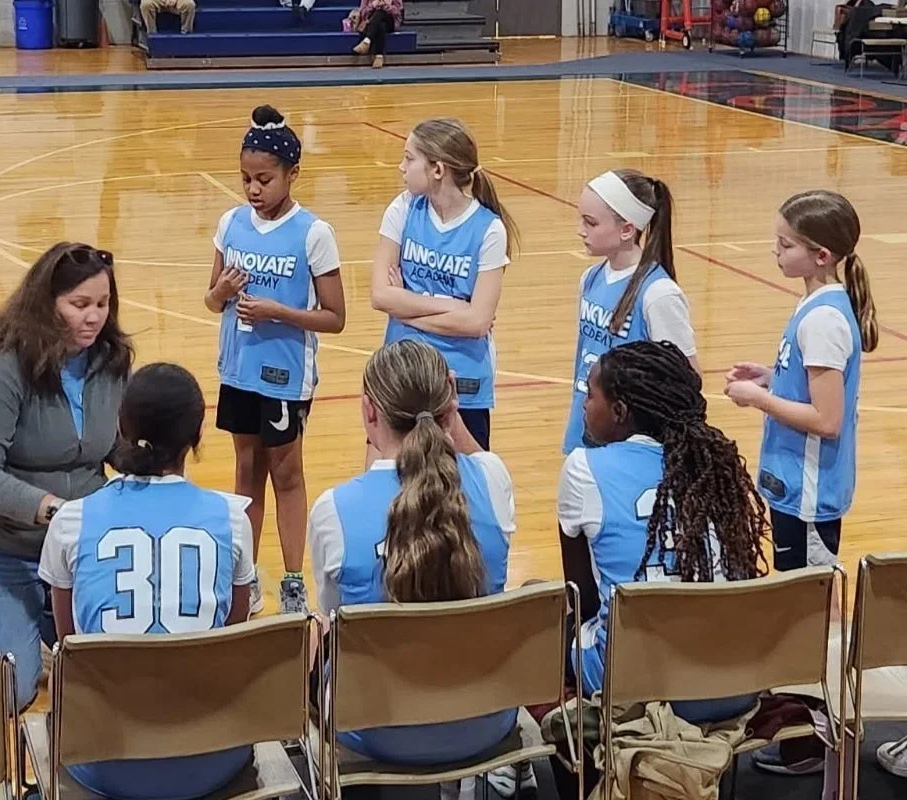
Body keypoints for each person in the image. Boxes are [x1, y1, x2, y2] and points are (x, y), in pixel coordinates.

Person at [39, 363, 255, 800]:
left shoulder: (71, 521)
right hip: (211, 755)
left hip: (106, 760)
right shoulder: (233, 519)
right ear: (196, 436)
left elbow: (69, 643)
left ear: (120, 426)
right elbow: (234, 634)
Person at [309, 340, 516, 765]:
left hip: (380, 732)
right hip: (486, 720)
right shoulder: (494, 481)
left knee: (312, 629)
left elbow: (335, 621)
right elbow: (471, 463)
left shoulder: (335, 510)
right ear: (450, 403)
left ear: (369, 412)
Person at [0, 242, 133, 710]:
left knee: (125, 670)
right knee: (9, 692)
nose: (94, 317)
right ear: (46, 304)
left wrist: (158, 467)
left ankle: (50, 632)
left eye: (103, 304)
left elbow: (108, 444)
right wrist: (55, 511)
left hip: (79, 549)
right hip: (5, 550)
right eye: (80, 305)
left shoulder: (110, 359)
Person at [560, 341, 768, 723]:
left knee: (544, 618)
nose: (584, 406)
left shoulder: (583, 468)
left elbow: (582, 599)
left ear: (620, 411)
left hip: (639, 686)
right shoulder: (718, 467)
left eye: (590, 395)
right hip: (734, 683)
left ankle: (580, 771)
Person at [204, 105, 346, 616]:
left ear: (292, 174)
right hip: (238, 369)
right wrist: (220, 290)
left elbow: (335, 318)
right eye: (245, 179)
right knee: (245, 470)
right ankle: (246, 574)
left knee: (286, 473)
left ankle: (291, 579)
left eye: (264, 178)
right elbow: (211, 300)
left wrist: (278, 312)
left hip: (284, 374)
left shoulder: (314, 233)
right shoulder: (230, 223)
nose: (253, 189)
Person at [725, 190, 875, 575]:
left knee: (811, 597)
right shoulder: (814, 304)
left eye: (785, 244)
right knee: (797, 591)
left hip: (810, 488)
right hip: (793, 481)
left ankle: (828, 639)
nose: (775, 251)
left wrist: (759, 398)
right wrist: (773, 378)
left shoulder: (824, 320)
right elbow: (815, 385)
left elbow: (827, 420)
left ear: (821, 256)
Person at [370, 117, 514, 456]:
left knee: (464, 497)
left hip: (461, 380)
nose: (400, 166)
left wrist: (405, 308)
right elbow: (380, 295)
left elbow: (477, 323)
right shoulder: (403, 207)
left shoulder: (490, 230)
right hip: (402, 374)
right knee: (386, 491)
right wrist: (454, 306)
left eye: (409, 158)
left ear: (437, 169)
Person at [563, 168, 698, 455]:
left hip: (630, 439)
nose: (581, 230)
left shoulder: (658, 293)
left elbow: (686, 378)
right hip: (587, 423)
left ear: (627, 229)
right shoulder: (590, 278)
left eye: (591, 222)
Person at [347, 0, 404, 69]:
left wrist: (387, 6)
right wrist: (372, 6)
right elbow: (362, 12)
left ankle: (366, 41)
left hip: (390, 20)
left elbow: (399, 11)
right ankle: (379, 56)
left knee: (380, 12)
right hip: (371, 21)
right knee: (381, 25)